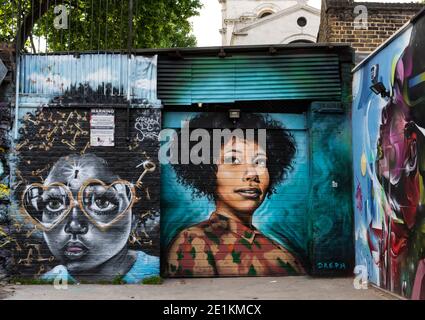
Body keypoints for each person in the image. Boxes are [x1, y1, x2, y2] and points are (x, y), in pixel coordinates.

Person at [166, 113, 306, 277]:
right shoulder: (194, 243)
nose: (252, 174)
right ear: (207, 172)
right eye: (233, 160)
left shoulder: (280, 252)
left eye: (260, 162)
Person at [20, 154, 159, 283]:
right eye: (54, 203)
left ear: (135, 216)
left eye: (102, 202)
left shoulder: (154, 271)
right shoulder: (49, 280)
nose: (74, 226)